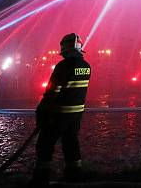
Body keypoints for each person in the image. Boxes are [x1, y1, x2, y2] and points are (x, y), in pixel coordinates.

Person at [32, 33, 91, 186]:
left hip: (58, 114)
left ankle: (41, 178)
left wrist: (42, 109)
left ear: (66, 48)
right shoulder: (86, 67)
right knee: (71, 144)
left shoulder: (63, 66)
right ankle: (74, 176)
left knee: (45, 145)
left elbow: (53, 91)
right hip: (76, 115)